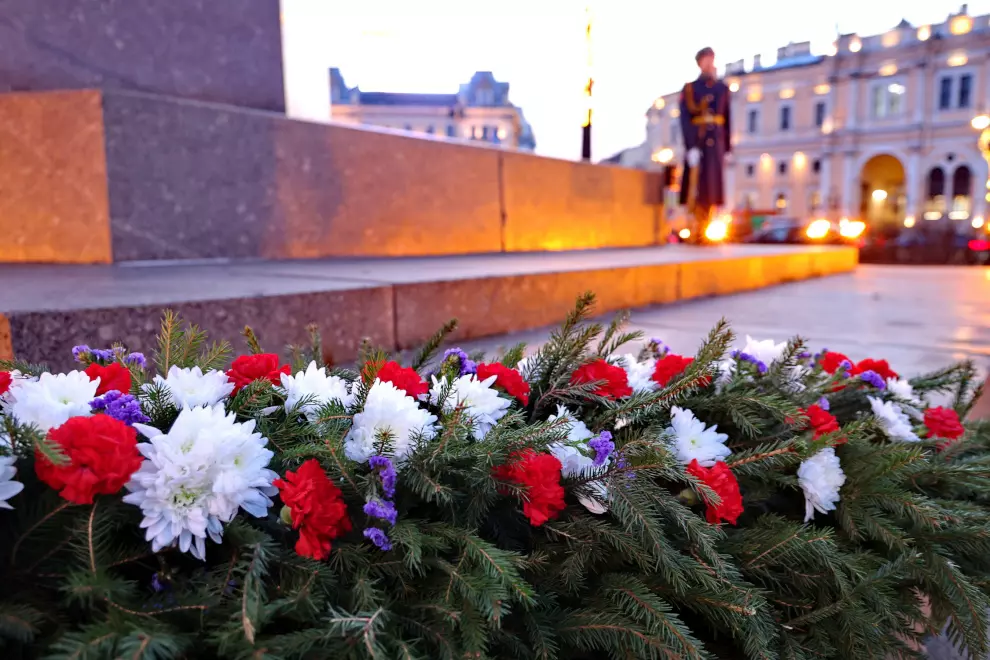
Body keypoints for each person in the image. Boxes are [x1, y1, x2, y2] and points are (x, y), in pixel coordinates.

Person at [678, 47, 732, 243]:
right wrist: (690, 146)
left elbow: (727, 118)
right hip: (698, 142)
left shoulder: (722, 89)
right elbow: (685, 119)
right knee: (697, 187)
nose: (710, 63)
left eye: (712, 59)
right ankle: (696, 228)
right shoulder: (691, 89)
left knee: (713, 187)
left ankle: (708, 227)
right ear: (699, 63)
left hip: (715, 144)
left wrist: (727, 149)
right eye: (706, 60)